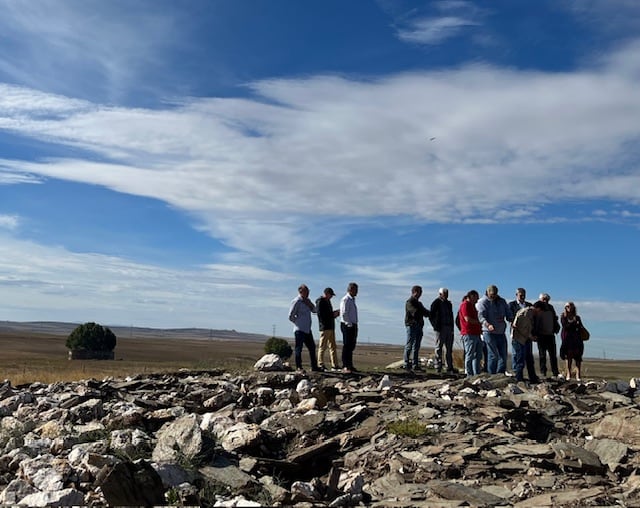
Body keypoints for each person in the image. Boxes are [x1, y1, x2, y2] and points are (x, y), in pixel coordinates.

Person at [476, 285, 513, 374]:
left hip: (500, 332)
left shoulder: (502, 302)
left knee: (503, 355)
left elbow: (508, 314)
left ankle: (500, 374)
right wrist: (488, 325)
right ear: (487, 292)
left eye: (495, 294)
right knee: (493, 355)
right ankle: (491, 375)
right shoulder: (482, 302)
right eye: (492, 294)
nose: (493, 296)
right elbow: (481, 316)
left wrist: (512, 319)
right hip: (489, 332)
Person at [288, 284, 319, 373]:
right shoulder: (297, 301)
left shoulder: (307, 301)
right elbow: (290, 315)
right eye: (306, 291)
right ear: (301, 292)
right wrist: (297, 322)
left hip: (307, 329)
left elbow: (314, 310)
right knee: (299, 348)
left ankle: (314, 366)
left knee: (312, 347)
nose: (308, 293)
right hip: (299, 329)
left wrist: (310, 304)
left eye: (308, 291)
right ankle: (299, 367)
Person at [511, 301, 544, 383]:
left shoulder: (529, 313)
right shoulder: (526, 313)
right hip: (519, 339)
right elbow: (522, 328)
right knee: (520, 360)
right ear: (538, 309)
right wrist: (531, 337)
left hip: (524, 339)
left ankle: (532, 378)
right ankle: (519, 379)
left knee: (529, 359)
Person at [404, 285, 430, 371]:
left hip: (419, 326)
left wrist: (431, 313)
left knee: (416, 346)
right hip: (411, 325)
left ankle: (415, 365)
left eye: (421, 292)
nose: (420, 294)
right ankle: (406, 363)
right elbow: (415, 312)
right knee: (409, 345)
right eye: (419, 292)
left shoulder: (419, 303)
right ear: (414, 292)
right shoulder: (409, 302)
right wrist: (423, 312)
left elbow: (425, 312)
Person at [429, 288, 456, 374]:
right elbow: (431, 315)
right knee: (439, 347)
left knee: (449, 348)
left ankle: (449, 366)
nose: (446, 295)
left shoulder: (448, 304)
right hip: (440, 328)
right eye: (444, 293)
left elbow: (451, 316)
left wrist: (452, 328)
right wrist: (435, 326)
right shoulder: (436, 303)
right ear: (440, 294)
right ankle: (438, 366)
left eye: (447, 293)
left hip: (448, 327)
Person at [535, 293, 560, 378]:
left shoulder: (551, 308)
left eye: (547, 299)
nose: (545, 301)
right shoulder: (537, 307)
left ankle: (555, 372)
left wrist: (556, 328)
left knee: (553, 355)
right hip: (541, 335)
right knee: (542, 356)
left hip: (550, 335)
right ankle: (543, 373)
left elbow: (555, 319)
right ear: (540, 299)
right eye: (543, 299)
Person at [458, 290, 482, 377]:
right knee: (470, 354)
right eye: (476, 297)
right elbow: (467, 319)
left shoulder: (472, 306)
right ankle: (469, 374)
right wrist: (479, 322)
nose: (477, 299)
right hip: (469, 333)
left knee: (478, 355)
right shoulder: (465, 305)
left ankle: (476, 373)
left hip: (476, 333)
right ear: (471, 296)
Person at [316, 287, 340, 371]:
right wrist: (332, 315)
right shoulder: (320, 301)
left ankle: (335, 365)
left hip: (331, 326)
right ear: (327, 294)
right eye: (331, 295)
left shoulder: (328, 301)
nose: (331, 297)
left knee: (333, 346)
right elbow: (321, 315)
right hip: (325, 327)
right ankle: (320, 363)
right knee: (322, 346)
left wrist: (334, 314)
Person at [560, 301, 586, 381]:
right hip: (567, 339)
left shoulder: (577, 317)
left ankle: (578, 374)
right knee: (568, 356)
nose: (569, 308)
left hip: (576, 338)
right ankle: (568, 373)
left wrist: (576, 324)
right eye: (567, 306)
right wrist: (574, 323)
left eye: (571, 306)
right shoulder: (563, 316)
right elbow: (565, 326)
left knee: (578, 356)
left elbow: (580, 326)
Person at [340, 282, 359, 374]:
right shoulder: (346, 299)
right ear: (351, 289)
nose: (357, 292)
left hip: (353, 324)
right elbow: (344, 312)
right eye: (355, 290)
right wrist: (348, 323)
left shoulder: (352, 300)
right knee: (347, 345)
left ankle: (350, 364)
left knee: (351, 345)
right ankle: (345, 365)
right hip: (347, 325)